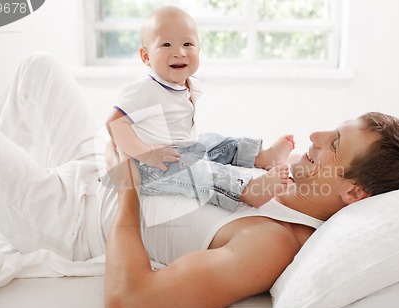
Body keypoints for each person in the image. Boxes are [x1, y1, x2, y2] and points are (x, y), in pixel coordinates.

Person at [0, 53, 399, 308]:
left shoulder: (271, 242)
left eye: (335, 145)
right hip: (93, 169)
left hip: (67, 216)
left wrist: (127, 186)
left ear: (355, 193)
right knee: (38, 69)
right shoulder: (282, 183)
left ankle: (0, 202)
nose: (315, 137)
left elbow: (128, 301)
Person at [106, 6, 293, 212]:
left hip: (180, 149)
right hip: (151, 168)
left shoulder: (187, 83)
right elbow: (115, 124)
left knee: (211, 141)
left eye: (187, 44)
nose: (179, 52)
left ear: (198, 50)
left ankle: (261, 156)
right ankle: (247, 189)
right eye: (166, 44)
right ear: (146, 56)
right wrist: (148, 154)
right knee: (200, 171)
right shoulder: (145, 89)